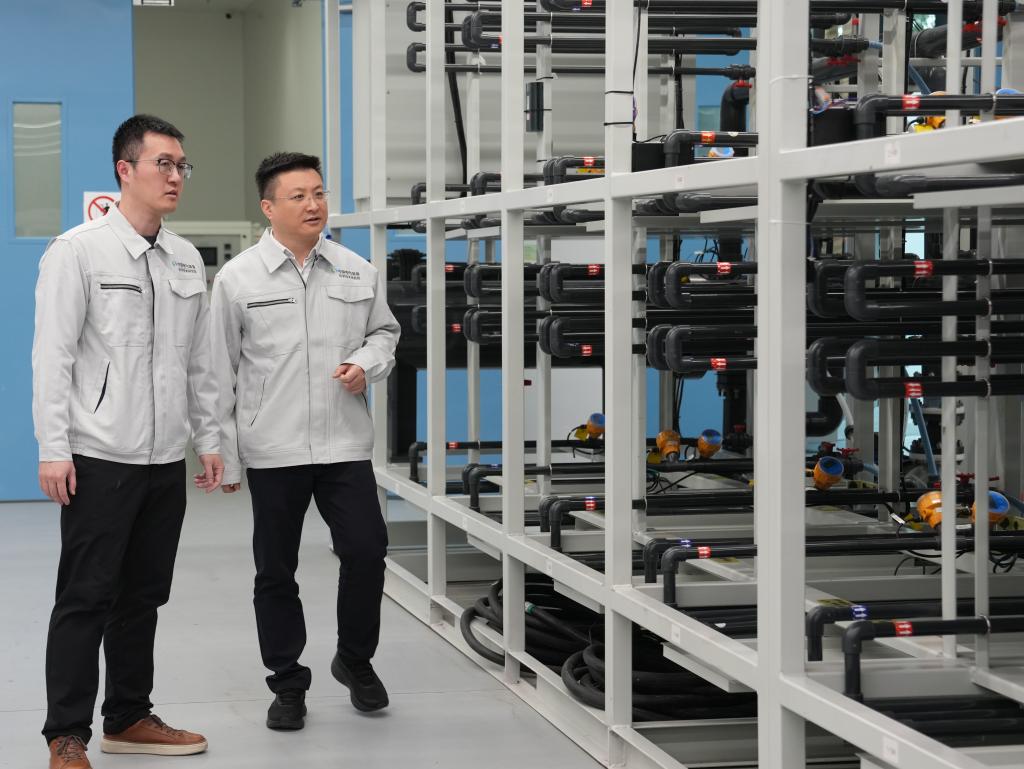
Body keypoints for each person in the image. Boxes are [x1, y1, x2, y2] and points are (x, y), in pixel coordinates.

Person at [32, 114, 223, 769]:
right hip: (99, 456)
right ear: (125, 169)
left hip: (164, 459)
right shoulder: (78, 251)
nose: (175, 177)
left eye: (181, 166)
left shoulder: (185, 258)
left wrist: (209, 438)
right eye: (162, 164)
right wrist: (54, 447)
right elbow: (53, 357)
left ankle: (129, 716)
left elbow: (200, 361)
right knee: (85, 596)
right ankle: (66, 733)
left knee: (144, 594)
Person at [210, 152, 400, 730]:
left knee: (366, 552)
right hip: (273, 448)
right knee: (275, 571)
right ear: (269, 207)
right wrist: (223, 453)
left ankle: (354, 660)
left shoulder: (356, 270)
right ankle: (287, 682)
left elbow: (384, 332)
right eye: (299, 196)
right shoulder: (237, 278)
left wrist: (366, 364)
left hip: (344, 445)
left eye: (318, 193)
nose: (313, 204)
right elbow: (217, 371)